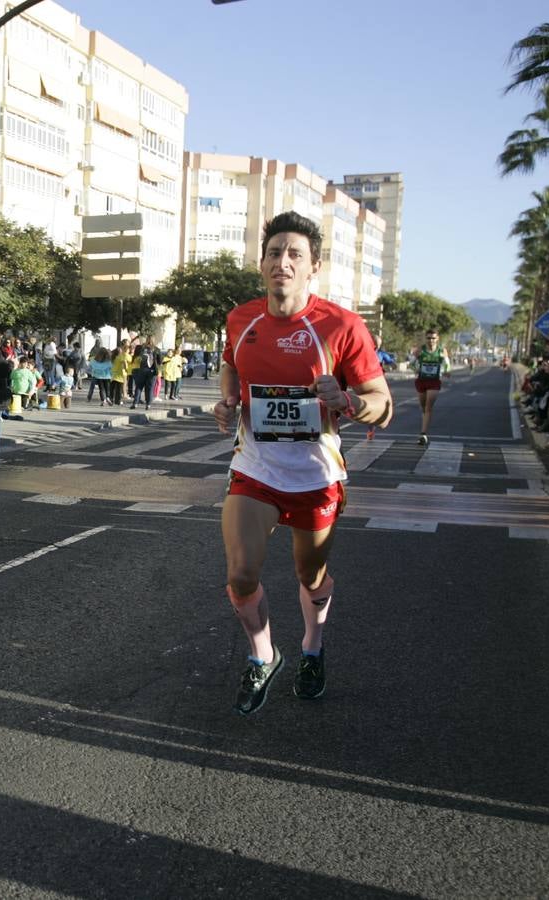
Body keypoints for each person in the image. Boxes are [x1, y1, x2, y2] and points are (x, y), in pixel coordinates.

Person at [213, 211, 392, 715]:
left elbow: (382, 404)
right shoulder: (241, 318)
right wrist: (228, 400)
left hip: (316, 474)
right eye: (274, 253)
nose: (283, 262)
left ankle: (312, 647)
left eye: (295, 254)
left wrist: (348, 401)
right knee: (240, 574)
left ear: (314, 266)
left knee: (310, 575)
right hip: (256, 467)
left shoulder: (342, 325)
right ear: (261, 263)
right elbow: (231, 363)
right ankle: (263, 655)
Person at [412, 330, 452, 446]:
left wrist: (447, 371)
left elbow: (447, 364)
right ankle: (424, 424)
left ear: (437, 339)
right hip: (421, 381)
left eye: (433, 338)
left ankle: (423, 434)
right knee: (423, 407)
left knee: (428, 407)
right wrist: (415, 369)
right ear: (426, 338)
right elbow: (412, 363)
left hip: (434, 382)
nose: (431, 340)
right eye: (429, 338)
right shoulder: (420, 350)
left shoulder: (441, 351)